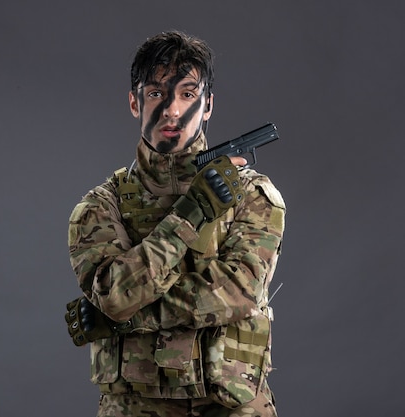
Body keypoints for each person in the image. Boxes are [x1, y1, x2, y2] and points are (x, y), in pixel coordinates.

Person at [64, 31, 285, 417]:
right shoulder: (100, 205)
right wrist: (192, 212)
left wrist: (119, 319)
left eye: (186, 93)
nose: (171, 109)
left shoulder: (253, 194)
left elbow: (238, 292)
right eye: (155, 94)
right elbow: (115, 295)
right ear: (134, 102)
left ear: (208, 105)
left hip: (232, 407)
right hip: (132, 408)